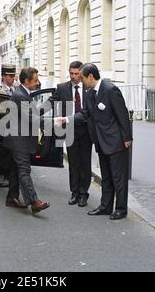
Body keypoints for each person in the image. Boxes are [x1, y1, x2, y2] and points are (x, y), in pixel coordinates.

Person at [56, 63, 132, 220]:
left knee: (118, 178)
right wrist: (66, 119)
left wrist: (127, 138)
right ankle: (105, 206)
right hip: (101, 142)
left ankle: (121, 209)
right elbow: (84, 114)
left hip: (116, 142)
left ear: (90, 77)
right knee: (106, 177)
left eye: (82, 77)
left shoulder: (110, 90)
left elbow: (123, 115)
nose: (80, 80)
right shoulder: (90, 93)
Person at [3, 67, 51, 214]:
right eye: (35, 80)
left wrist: (51, 102)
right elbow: (31, 118)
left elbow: (33, 113)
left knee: (15, 169)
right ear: (26, 81)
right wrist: (53, 121)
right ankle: (34, 202)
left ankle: (11, 198)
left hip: (15, 139)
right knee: (24, 170)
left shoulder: (22, 93)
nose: (38, 82)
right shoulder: (21, 95)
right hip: (19, 140)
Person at [48, 61, 92, 207]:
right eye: (71, 73)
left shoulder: (89, 87)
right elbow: (50, 102)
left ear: (81, 73)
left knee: (85, 163)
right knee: (73, 162)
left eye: (76, 74)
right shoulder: (62, 88)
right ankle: (75, 192)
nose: (74, 77)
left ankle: (83, 193)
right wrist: (33, 112)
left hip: (86, 131)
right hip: (70, 130)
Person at [0, 64, 18, 187]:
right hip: (3, 126)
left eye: (13, 75)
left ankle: (8, 175)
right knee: (2, 152)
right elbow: (2, 110)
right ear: (4, 76)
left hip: (12, 126)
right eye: (10, 76)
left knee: (10, 153)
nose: (13, 78)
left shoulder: (13, 89)